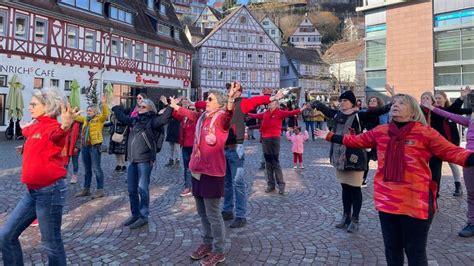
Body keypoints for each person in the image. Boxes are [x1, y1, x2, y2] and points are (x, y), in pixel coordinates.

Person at [315, 93, 474, 266]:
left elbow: (453, 152)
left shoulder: (425, 133)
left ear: (413, 111)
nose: (395, 105)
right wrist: (330, 136)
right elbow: (356, 140)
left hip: (416, 202)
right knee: (392, 250)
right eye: (394, 103)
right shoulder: (381, 132)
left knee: (415, 252)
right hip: (387, 202)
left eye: (402, 103)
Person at [0, 88, 78, 265]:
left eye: (33, 104)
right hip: (32, 191)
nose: (29, 107)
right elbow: (35, 138)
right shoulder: (35, 126)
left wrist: (66, 126)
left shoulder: (52, 127)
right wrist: (27, 149)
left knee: (51, 242)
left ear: (47, 106)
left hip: (49, 191)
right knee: (6, 235)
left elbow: (57, 135)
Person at [169, 87, 237, 266]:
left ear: (219, 103)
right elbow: (190, 115)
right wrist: (176, 107)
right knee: (202, 212)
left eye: (210, 99)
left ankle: (219, 251)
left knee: (213, 214)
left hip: (213, 172)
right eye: (207, 98)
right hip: (197, 169)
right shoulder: (201, 118)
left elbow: (230, 115)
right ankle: (207, 244)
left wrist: (230, 100)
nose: (206, 101)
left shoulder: (221, 118)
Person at [311, 89, 392, 233]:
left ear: (352, 102)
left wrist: (393, 99)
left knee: (355, 188)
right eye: (341, 101)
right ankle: (346, 216)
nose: (342, 103)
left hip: (355, 157)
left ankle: (355, 219)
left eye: (345, 101)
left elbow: (379, 111)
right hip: (339, 156)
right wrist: (315, 103)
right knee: (345, 188)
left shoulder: (360, 115)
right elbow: (325, 109)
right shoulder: (337, 115)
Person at [220, 83, 283, 228]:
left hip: (236, 146)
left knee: (237, 182)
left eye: (232, 89)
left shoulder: (242, 103)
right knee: (227, 182)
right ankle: (227, 210)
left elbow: (256, 101)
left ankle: (241, 215)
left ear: (239, 92)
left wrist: (272, 97)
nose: (229, 91)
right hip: (224, 146)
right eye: (228, 89)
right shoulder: (225, 105)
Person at [112, 97, 172, 229]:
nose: (139, 108)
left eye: (143, 106)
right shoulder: (135, 120)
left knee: (142, 189)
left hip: (145, 160)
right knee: (131, 189)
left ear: (150, 108)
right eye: (139, 106)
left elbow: (164, 119)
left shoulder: (153, 121)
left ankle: (144, 216)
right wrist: (116, 107)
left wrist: (171, 105)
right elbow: (123, 118)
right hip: (133, 160)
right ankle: (135, 214)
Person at [422, 91, 474, 237]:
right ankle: (471, 223)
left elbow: (451, 112)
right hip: (469, 159)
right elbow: (450, 115)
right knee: (471, 194)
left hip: (463, 155)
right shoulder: (471, 119)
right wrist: (432, 109)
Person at [248, 99, 305, 195]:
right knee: (268, 163)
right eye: (269, 102)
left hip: (274, 139)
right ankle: (271, 185)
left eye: (272, 102)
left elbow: (291, 113)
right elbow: (256, 116)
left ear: (276, 104)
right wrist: (247, 113)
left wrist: (301, 109)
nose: (269, 103)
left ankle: (281, 185)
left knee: (275, 162)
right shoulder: (265, 113)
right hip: (265, 139)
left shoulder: (280, 112)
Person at [420, 88, 469, 197]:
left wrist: (461, 98)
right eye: (423, 98)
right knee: (432, 168)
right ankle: (433, 192)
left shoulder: (438, 111)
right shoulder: (419, 112)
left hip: (446, 144)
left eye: (427, 98)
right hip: (429, 145)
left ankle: (457, 186)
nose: (425, 100)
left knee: (452, 164)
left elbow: (453, 110)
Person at [75, 96, 109, 199]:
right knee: (87, 169)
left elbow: (105, 115)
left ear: (94, 111)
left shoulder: (99, 119)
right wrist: (74, 112)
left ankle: (100, 190)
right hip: (85, 146)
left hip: (95, 146)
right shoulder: (86, 119)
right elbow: (75, 118)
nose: (88, 112)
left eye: (90, 111)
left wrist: (103, 104)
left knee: (96, 168)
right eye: (87, 111)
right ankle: (86, 189)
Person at [361, 95, 390, 187]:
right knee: (365, 160)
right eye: (370, 101)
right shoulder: (363, 112)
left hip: (379, 140)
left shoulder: (383, 113)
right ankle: (362, 179)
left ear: (378, 103)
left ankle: (383, 180)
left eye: (374, 100)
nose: (372, 102)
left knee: (382, 162)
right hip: (367, 140)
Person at [172, 99, 199, 197]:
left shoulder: (197, 118)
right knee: (187, 167)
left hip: (194, 146)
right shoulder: (185, 118)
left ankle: (195, 187)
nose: (191, 110)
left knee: (194, 167)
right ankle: (188, 186)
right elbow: (176, 114)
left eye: (193, 109)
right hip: (185, 145)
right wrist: (174, 105)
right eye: (189, 109)